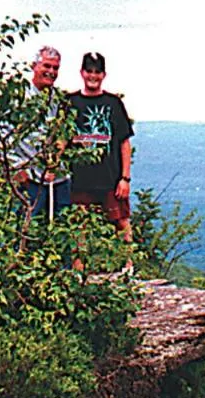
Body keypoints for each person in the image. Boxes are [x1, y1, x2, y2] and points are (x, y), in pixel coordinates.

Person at [67, 52, 134, 247]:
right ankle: (78, 272)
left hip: (110, 178)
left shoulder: (113, 103)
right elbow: (61, 139)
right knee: (79, 227)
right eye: (89, 71)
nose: (93, 76)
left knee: (121, 221)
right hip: (79, 179)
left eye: (97, 72)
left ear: (103, 75)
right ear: (82, 73)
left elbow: (124, 142)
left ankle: (128, 268)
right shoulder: (70, 103)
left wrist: (125, 178)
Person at [13, 45, 71, 223]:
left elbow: (65, 132)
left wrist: (56, 158)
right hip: (29, 178)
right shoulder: (18, 98)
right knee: (25, 229)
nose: (51, 71)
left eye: (55, 68)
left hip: (58, 179)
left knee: (62, 230)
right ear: (34, 66)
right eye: (46, 66)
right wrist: (16, 168)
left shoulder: (60, 100)